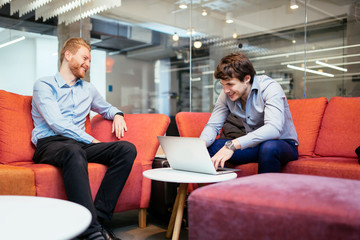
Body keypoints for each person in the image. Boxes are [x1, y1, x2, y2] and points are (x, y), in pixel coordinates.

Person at [31, 38, 136, 240]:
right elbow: (56, 122)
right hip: (50, 144)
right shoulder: (43, 85)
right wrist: (90, 139)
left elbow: (106, 108)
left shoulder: (88, 89)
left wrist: (118, 114)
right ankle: (90, 232)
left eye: (89, 60)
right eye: (84, 58)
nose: (87, 64)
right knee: (74, 150)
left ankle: (99, 221)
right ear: (68, 55)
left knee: (126, 149)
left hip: (78, 146)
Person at [200, 52, 298, 173]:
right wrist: (200, 145)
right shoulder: (226, 94)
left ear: (247, 79)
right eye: (223, 85)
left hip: (281, 145)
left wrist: (232, 145)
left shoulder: (270, 88)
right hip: (253, 146)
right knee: (208, 148)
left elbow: (273, 129)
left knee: (268, 147)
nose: (225, 90)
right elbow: (213, 126)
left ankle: (265, 192)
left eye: (230, 84)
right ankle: (211, 191)